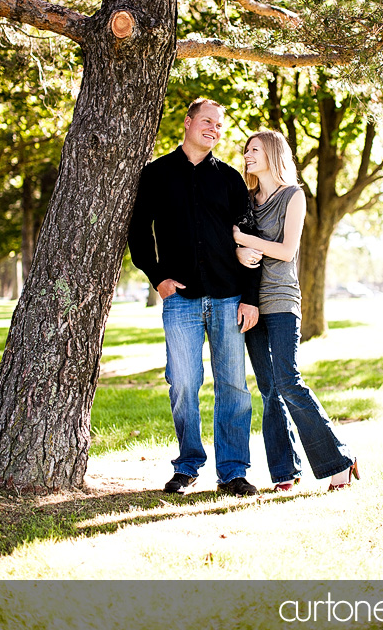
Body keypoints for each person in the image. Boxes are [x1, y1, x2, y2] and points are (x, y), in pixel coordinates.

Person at [128, 98, 261, 497]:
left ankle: (233, 471)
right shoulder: (156, 174)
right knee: (183, 383)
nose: (214, 130)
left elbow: (251, 242)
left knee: (233, 386)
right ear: (187, 123)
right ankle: (187, 466)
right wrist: (156, 278)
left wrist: (249, 298)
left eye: (219, 126)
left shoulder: (232, 179)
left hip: (228, 296)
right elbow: (138, 231)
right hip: (181, 300)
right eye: (207, 121)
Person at [233, 130, 359, 492]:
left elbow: (287, 251)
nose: (247, 155)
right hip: (252, 300)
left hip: (283, 300)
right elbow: (231, 242)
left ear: (273, 153)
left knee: (288, 379)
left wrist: (242, 238)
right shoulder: (246, 199)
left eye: (254, 149)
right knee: (269, 387)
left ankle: (339, 459)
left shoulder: (294, 196)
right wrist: (237, 247)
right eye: (246, 150)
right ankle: (285, 472)